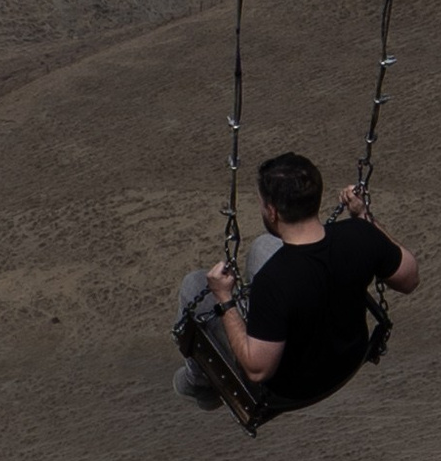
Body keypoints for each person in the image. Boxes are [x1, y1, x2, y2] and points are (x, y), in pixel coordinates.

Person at [174, 150, 420, 415]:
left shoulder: (275, 280)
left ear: (271, 211)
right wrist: (364, 217)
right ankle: (267, 324)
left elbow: (258, 370)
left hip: (291, 389)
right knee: (264, 247)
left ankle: (199, 384)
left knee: (194, 285)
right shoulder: (361, 234)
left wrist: (225, 299)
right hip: (347, 358)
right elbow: (409, 279)